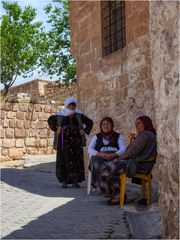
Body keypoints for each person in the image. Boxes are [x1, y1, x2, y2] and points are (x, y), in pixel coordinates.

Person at [100, 115, 157, 205]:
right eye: (136, 124)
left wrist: (118, 158)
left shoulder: (145, 134)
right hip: (141, 163)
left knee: (108, 167)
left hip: (139, 164)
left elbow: (132, 151)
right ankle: (117, 194)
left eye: (139, 123)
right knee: (107, 167)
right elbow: (137, 149)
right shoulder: (148, 134)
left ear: (146, 123)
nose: (137, 126)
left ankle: (116, 195)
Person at [48, 97, 93, 188]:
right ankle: (64, 181)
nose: (72, 107)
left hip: (76, 144)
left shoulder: (79, 115)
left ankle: (75, 182)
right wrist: (56, 128)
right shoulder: (60, 115)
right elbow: (50, 120)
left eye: (73, 105)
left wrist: (84, 130)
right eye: (70, 105)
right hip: (63, 144)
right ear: (66, 105)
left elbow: (90, 122)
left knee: (76, 162)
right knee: (63, 162)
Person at [88, 117, 126, 191]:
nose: (105, 126)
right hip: (100, 156)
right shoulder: (97, 137)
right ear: (101, 126)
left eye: (108, 124)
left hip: (114, 157)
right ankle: (101, 186)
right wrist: (100, 154)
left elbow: (123, 149)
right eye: (103, 124)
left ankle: (111, 187)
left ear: (112, 125)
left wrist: (114, 155)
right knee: (96, 163)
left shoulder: (118, 136)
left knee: (114, 165)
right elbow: (90, 149)